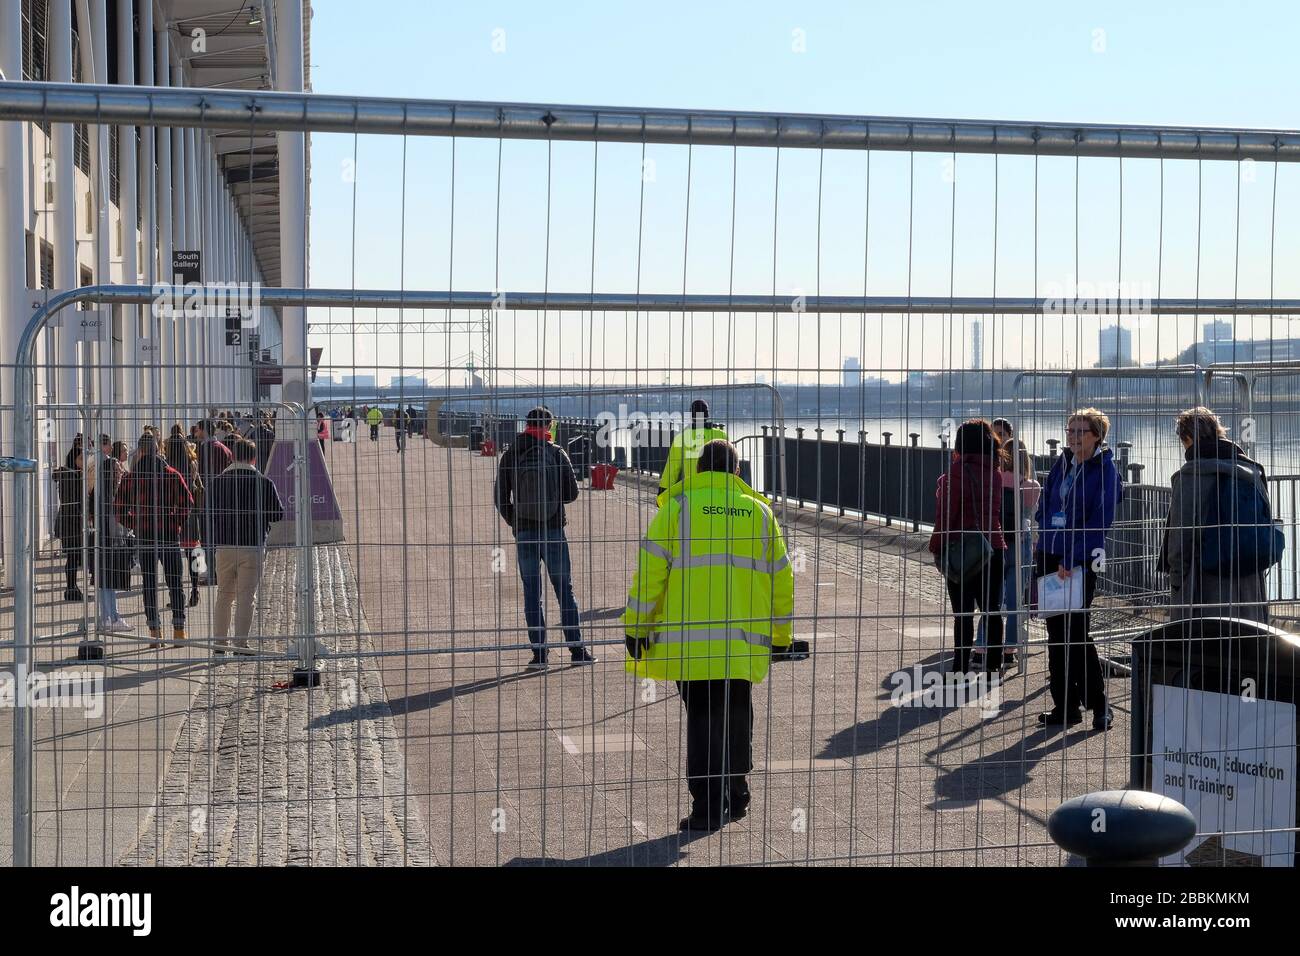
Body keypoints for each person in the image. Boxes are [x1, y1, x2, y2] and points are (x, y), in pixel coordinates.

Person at [624, 439, 794, 831]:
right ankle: (737, 794)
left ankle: (706, 808)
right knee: (737, 714)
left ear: (699, 470)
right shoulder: (759, 513)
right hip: (741, 645)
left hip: (691, 644)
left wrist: (636, 626)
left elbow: (650, 573)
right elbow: (782, 581)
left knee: (702, 719)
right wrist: (782, 638)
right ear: (737, 471)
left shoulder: (678, 509)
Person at [1033, 407, 1123, 730]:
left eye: (1079, 432)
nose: (1071, 437)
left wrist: (1070, 559)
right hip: (1049, 555)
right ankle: (1065, 706)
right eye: (1069, 430)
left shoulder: (1105, 470)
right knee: (1056, 635)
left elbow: (1099, 523)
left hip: (1078, 562)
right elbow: (1047, 501)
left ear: (1097, 435)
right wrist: (1042, 535)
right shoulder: (1064, 462)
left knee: (1076, 633)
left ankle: (1099, 705)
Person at [494, 406, 596, 669]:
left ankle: (540, 654)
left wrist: (515, 521)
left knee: (531, 592)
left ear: (525, 425)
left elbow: (500, 497)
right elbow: (572, 493)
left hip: (525, 531)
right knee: (564, 589)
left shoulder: (512, 453)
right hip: (552, 530)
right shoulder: (556, 452)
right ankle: (577, 650)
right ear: (549, 426)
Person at [1160, 407, 1274, 625]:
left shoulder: (1188, 477)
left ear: (1188, 437)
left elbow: (1179, 542)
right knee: (1248, 643)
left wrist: (1177, 581)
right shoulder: (1252, 470)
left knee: (1206, 645)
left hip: (1203, 583)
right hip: (1249, 579)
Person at [928, 419, 1008, 674]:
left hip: (964, 551)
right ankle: (994, 667)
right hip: (993, 548)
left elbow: (946, 517)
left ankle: (960, 667)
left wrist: (936, 547)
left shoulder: (955, 474)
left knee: (962, 614)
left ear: (960, 444)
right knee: (992, 611)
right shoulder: (995, 472)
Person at [115, 434, 194, 647]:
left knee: (149, 585)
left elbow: (119, 509)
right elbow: (187, 503)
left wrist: (133, 522)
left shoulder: (131, 478)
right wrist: (175, 521)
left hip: (144, 535)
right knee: (175, 583)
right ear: (158, 449)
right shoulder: (172, 474)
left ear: (140, 451)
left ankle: (155, 632)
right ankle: (179, 630)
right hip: (168, 535)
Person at [206, 438, 284, 653]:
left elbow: (208, 513)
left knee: (223, 595)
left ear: (231, 456)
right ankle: (240, 644)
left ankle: (219, 643)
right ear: (254, 458)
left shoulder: (217, 482)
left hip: (225, 545)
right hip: (252, 544)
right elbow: (278, 514)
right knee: (246, 597)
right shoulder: (264, 482)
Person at [974, 438, 1042, 670]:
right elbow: (1032, 518)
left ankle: (982, 645)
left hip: (996, 541)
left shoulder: (994, 480)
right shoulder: (1032, 486)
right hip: (1020, 543)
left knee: (992, 600)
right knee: (1014, 601)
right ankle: (1010, 649)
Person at [89, 439, 132, 632]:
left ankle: (111, 616)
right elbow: (113, 521)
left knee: (107, 581)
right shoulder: (108, 497)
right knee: (107, 580)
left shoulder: (101, 493)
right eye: (117, 471)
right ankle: (109, 617)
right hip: (108, 542)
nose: (120, 473)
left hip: (104, 541)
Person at [656, 399, 729, 506]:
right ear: (707, 415)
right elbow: (731, 463)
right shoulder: (721, 435)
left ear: (692, 415)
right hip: (720, 490)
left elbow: (672, 468)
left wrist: (663, 492)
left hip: (693, 491)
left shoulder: (682, 437)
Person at [165, 434, 204, 608]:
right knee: (194, 552)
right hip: (191, 510)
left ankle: (175, 595)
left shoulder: (168, 466)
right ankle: (195, 589)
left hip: (173, 512)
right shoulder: (192, 463)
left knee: (172, 558)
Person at [53, 446, 88, 601]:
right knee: (73, 556)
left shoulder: (69, 474)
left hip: (69, 520)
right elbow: (76, 501)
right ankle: (70, 588)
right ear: (74, 459)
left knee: (73, 556)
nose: (84, 462)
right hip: (71, 521)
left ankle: (72, 587)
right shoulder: (71, 476)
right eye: (81, 458)